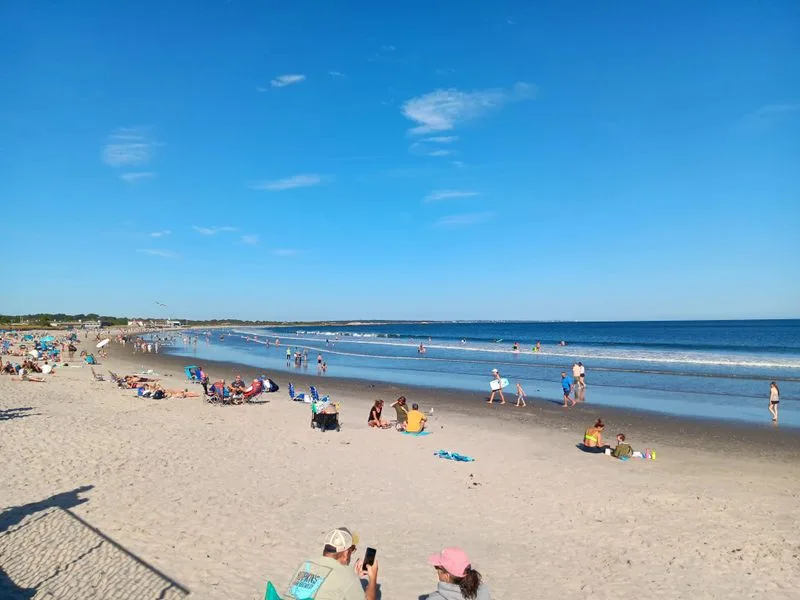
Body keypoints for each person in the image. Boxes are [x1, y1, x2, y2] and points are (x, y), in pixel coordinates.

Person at [284, 527, 379, 600]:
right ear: (346, 553)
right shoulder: (347, 576)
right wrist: (373, 578)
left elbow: (322, 586)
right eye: (352, 550)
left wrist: (353, 577)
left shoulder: (306, 564)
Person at [422, 547, 491, 600]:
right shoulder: (483, 590)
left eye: (437, 568)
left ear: (447, 575)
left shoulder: (434, 598)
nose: (436, 570)